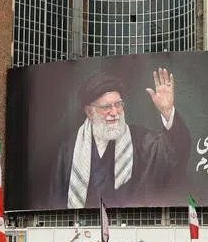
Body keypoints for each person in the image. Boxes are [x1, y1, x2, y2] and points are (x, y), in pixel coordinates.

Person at [48, 68, 192, 209]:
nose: (114, 112)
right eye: (106, 107)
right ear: (89, 112)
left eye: (118, 105)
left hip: (130, 225)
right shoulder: (69, 151)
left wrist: (167, 112)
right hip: (86, 226)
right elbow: (56, 200)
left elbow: (174, 150)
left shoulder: (141, 140)